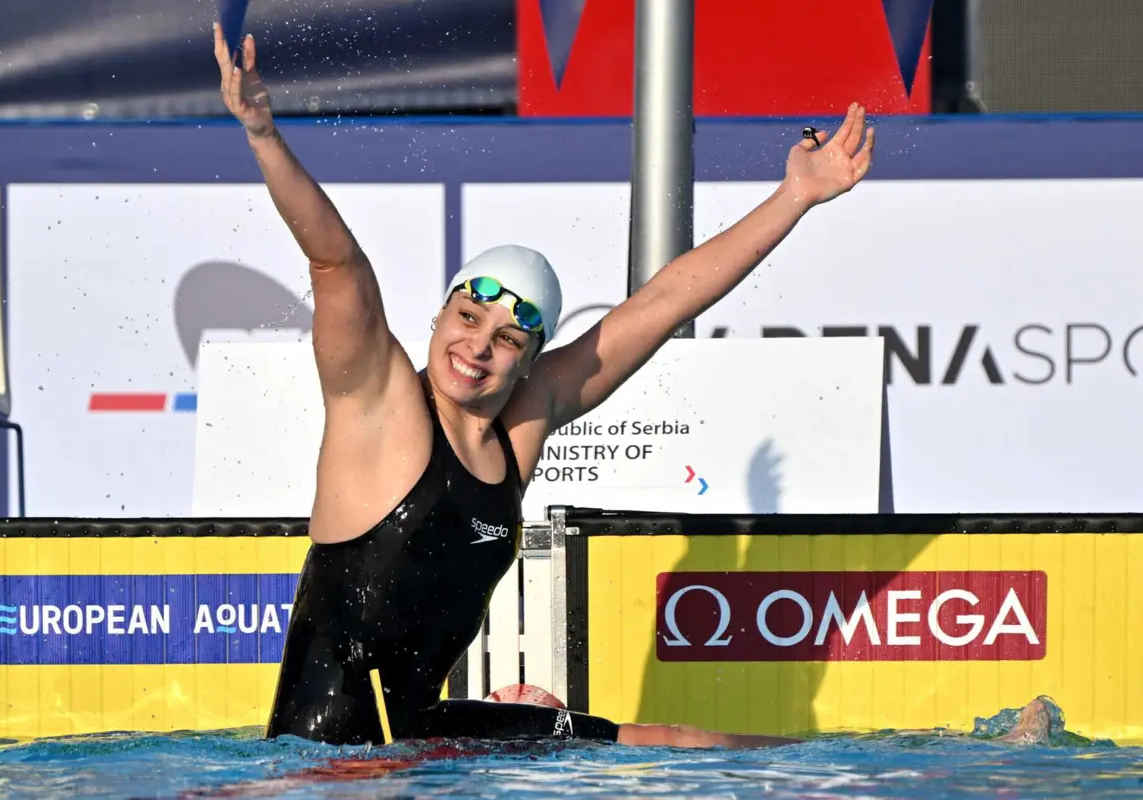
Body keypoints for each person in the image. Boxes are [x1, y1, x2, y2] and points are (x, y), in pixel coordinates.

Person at [214, 23, 922, 751]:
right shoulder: (377, 403)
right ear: (440, 314)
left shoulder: (522, 429)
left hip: (425, 735)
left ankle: (872, 771)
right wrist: (264, 136)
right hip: (329, 758)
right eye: (467, 318)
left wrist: (795, 196)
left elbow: (662, 304)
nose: (476, 347)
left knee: (676, 741)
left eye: (507, 338)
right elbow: (337, 263)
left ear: (531, 359)